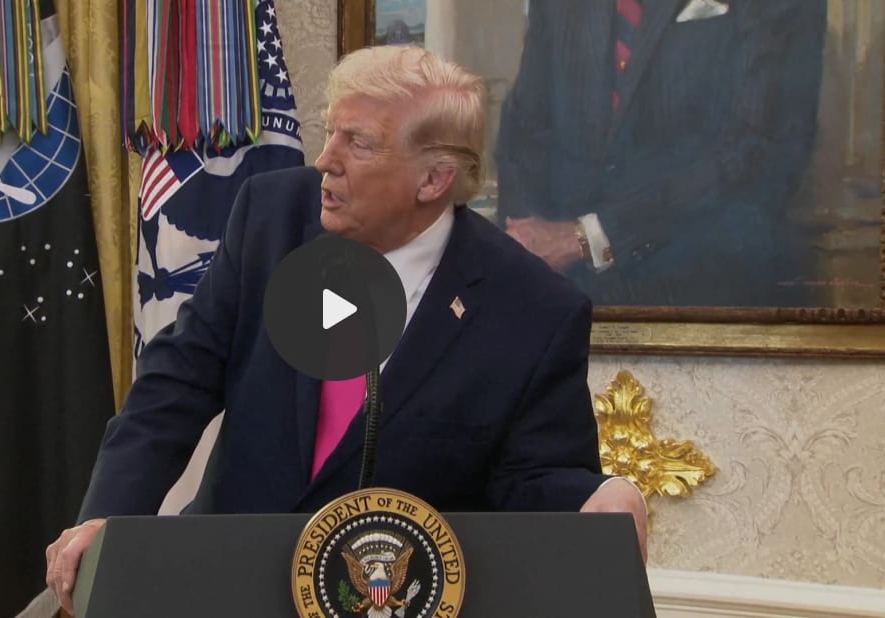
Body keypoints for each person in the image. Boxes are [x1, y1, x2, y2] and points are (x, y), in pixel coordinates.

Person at [46, 45, 647, 613]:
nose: (325, 160)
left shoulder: (532, 309)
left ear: (434, 180)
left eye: (358, 142)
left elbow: (533, 480)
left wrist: (602, 495)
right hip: (225, 586)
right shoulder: (271, 218)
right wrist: (108, 516)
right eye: (331, 131)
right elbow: (175, 385)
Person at [495, 0, 826, 306]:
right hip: (561, 291)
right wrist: (524, 244)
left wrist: (592, 238)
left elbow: (753, 151)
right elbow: (523, 130)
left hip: (706, 294)